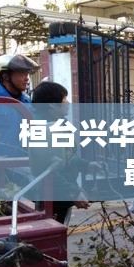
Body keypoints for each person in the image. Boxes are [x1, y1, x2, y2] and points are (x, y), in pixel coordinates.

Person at [29, 81, 102, 223]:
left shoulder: (58, 123)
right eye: (64, 98)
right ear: (52, 104)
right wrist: (73, 193)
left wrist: (86, 165)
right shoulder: (43, 129)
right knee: (52, 230)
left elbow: (67, 157)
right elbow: (48, 170)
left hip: (60, 192)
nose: (68, 102)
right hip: (51, 196)